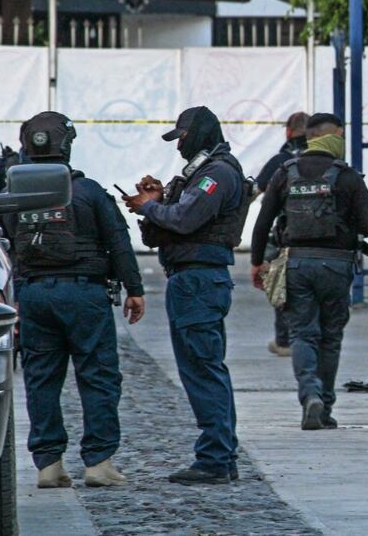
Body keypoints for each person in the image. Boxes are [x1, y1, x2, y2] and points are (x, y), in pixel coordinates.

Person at [14, 111, 145, 489]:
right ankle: (99, 462)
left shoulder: (16, 193)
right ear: (66, 145)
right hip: (85, 293)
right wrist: (134, 289)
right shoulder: (88, 192)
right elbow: (118, 241)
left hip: (35, 295)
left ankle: (48, 464)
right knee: (99, 376)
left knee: (41, 378)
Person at [122, 106, 250, 485]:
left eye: (181, 137)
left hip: (198, 282)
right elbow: (174, 219)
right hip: (191, 280)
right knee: (205, 368)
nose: (178, 146)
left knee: (203, 370)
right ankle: (220, 455)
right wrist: (156, 201)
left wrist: (151, 206)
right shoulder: (203, 173)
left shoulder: (217, 174)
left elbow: (183, 220)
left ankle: (214, 459)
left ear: (197, 136)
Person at [249, 112, 368, 430]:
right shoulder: (346, 176)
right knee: (330, 338)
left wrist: (257, 262)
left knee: (302, 334)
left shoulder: (286, 172)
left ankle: (310, 395)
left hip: (297, 263)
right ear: (331, 136)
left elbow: (263, 221)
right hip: (336, 265)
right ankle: (327, 407)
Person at [255, 111, 310, 357]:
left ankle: (284, 341)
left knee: (281, 286)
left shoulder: (280, 160)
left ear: (288, 131)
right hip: (321, 239)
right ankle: (310, 339)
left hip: (284, 236)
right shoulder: (326, 161)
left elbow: (255, 191)